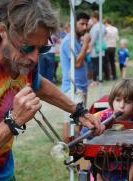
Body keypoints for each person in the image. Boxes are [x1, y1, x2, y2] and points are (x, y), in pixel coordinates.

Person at [0, 1, 105, 181]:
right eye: (27, 47)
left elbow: (38, 83)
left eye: (43, 48)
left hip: (3, 177)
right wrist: (13, 121)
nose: (36, 57)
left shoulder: (24, 61)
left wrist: (78, 112)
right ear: (3, 31)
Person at [60, 12, 91, 143]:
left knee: (78, 122)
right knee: (72, 123)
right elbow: (77, 64)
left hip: (81, 87)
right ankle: (69, 150)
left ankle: (74, 149)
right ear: (74, 23)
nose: (84, 27)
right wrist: (85, 45)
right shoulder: (69, 41)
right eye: (81, 23)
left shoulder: (77, 41)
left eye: (86, 24)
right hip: (73, 88)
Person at [89, 10, 106, 85]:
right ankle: (100, 79)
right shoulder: (103, 25)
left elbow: (93, 39)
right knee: (100, 64)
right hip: (101, 47)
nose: (92, 20)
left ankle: (94, 80)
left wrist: (89, 48)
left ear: (95, 18)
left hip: (95, 49)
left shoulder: (95, 27)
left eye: (92, 18)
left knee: (95, 64)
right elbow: (105, 33)